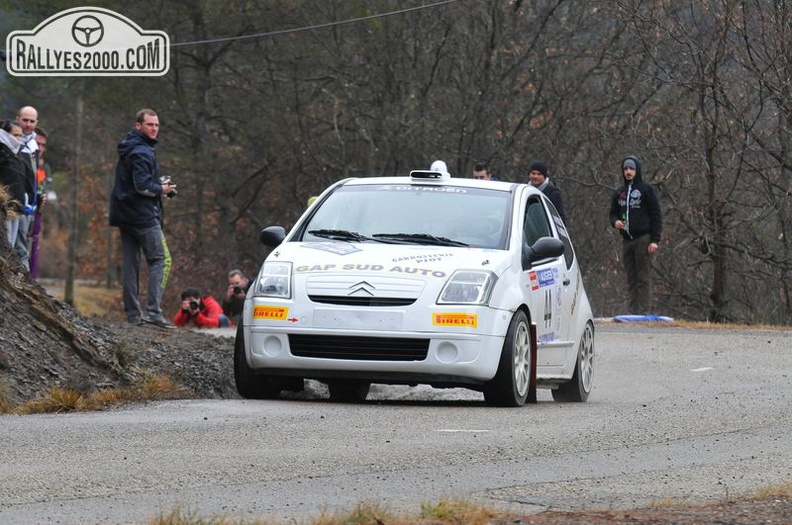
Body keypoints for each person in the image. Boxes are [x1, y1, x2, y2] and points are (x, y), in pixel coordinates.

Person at [109, 108, 178, 328]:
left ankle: (133, 315)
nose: (154, 129)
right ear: (138, 126)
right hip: (141, 217)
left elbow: (136, 181)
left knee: (131, 265)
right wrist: (162, 189)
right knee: (162, 260)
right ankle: (154, 312)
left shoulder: (129, 146)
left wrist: (158, 185)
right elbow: (142, 187)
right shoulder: (142, 152)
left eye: (157, 125)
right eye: (150, 125)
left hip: (124, 214)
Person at [608, 155, 662, 313]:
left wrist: (655, 240)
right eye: (626, 169)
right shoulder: (619, 193)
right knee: (631, 278)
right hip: (626, 240)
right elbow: (612, 213)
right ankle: (633, 311)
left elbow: (656, 215)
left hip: (643, 239)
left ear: (637, 170)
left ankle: (644, 311)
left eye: (631, 168)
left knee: (643, 278)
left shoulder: (646, 190)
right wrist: (615, 222)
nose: (628, 171)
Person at [14, 106, 40, 270]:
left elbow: (34, 176)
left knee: (21, 247)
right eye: (25, 120)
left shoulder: (34, 146)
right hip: (10, 200)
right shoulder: (8, 139)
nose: (28, 124)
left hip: (26, 204)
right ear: (18, 119)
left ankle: (24, 283)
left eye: (32, 121)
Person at [0, 121, 28, 249]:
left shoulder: (17, 155)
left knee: (11, 246)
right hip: (5, 208)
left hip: (16, 207)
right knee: (5, 245)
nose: (19, 139)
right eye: (15, 135)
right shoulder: (2, 152)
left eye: (21, 136)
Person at [29, 126, 51, 279]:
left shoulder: (44, 166)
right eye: (38, 144)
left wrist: (43, 196)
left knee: (34, 252)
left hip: (37, 213)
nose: (40, 148)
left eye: (43, 145)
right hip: (25, 210)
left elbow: (44, 187)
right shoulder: (27, 160)